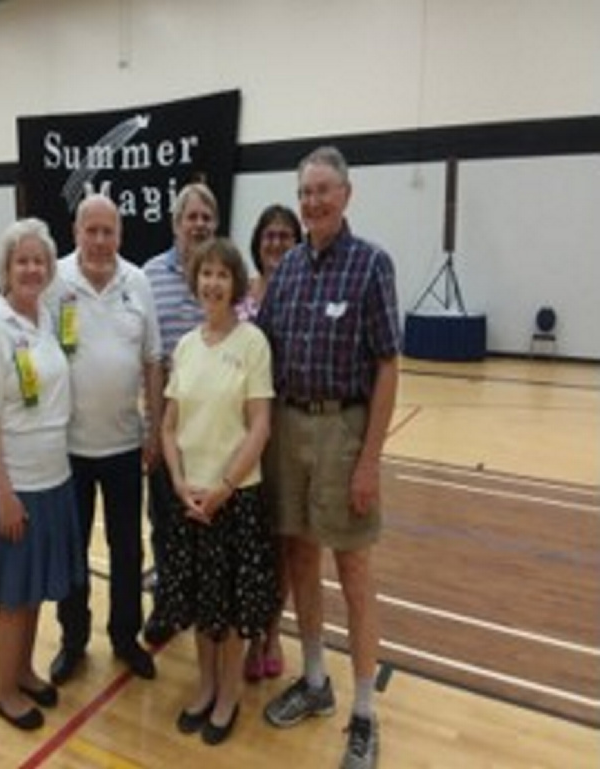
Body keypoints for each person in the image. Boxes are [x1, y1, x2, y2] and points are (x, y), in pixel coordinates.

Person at [257, 146, 400, 769]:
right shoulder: (286, 270)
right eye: (305, 191)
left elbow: (389, 366)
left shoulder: (372, 266)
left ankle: (364, 712)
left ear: (346, 195)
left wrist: (369, 460)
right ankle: (315, 682)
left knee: (356, 573)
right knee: (298, 557)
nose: (312, 200)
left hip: (344, 429)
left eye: (323, 190)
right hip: (288, 426)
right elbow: (258, 350)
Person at [157, 236, 278, 746]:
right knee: (201, 605)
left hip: (234, 499)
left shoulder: (252, 343)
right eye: (205, 273)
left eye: (222, 275)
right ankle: (205, 687)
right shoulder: (185, 346)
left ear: (235, 284)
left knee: (227, 611)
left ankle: (229, 696)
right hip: (192, 501)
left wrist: (225, 488)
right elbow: (168, 427)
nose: (212, 283)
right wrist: (182, 484)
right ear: (195, 280)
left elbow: (260, 427)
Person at [0, 218, 84, 732]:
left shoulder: (44, 317)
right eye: (23, 261)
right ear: (6, 270)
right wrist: (6, 495)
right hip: (16, 487)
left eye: (40, 260)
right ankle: (5, 690)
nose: (33, 269)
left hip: (53, 477)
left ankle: (26, 671)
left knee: (34, 589)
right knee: (14, 597)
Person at [44, 194, 163, 685]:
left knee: (127, 549)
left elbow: (153, 359)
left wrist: (154, 426)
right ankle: (73, 641)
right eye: (90, 230)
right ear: (75, 232)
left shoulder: (138, 282)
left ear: (120, 234)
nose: (98, 241)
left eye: (107, 231)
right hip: (67, 449)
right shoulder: (55, 281)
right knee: (71, 550)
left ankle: (123, 637)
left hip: (123, 446)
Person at [141, 182, 218, 646]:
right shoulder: (149, 276)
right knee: (166, 523)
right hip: (167, 427)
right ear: (175, 224)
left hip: (215, 430)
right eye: (191, 217)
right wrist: (152, 428)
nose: (199, 225)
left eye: (207, 217)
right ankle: (169, 606)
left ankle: (207, 609)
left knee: (209, 525)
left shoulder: (226, 273)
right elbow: (147, 357)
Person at [239, 204, 302, 683]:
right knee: (247, 541)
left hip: (286, 430)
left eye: (285, 235)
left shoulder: (305, 291)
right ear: (257, 243)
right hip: (239, 432)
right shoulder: (241, 296)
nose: (277, 243)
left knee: (280, 542)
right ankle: (245, 633)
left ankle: (271, 633)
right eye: (269, 236)